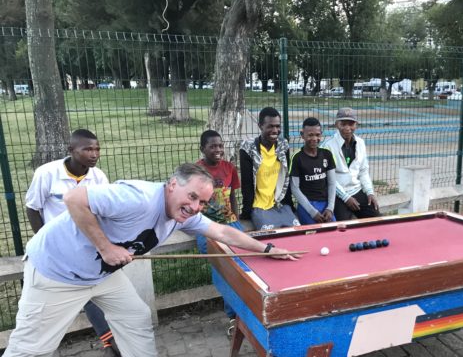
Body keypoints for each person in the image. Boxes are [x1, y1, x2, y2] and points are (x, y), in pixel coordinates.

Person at [4, 163, 300, 357]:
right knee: (32, 349)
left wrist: (266, 249)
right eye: (192, 196)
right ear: (172, 184)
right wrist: (107, 248)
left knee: (135, 317)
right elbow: (74, 199)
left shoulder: (182, 215)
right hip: (56, 273)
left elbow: (223, 232)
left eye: (202, 202)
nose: (196, 207)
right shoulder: (138, 198)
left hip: (100, 276)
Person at [24, 129, 119, 356]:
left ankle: (111, 344)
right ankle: (110, 345)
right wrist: (44, 240)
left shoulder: (98, 177)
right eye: (87, 149)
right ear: (71, 150)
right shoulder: (47, 173)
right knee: (76, 293)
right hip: (56, 249)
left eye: (97, 149)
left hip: (88, 244)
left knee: (95, 291)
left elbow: (105, 210)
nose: (94, 154)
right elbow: (32, 208)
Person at [194, 130, 242, 335]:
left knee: (246, 267)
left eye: (220, 146)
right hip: (206, 226)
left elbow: (232, 197)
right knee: (224, 270)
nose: (218, 150)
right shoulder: (195, 171)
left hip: (229, 223)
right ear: (202, 148)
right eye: (213, 146)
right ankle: (233, 317)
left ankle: (248, 312)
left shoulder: (229, 168)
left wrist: (237, 221)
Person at [240, 107, 300, 230]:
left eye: (278, 126)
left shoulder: (283, 145)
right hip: (259, 206)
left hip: (279, 203)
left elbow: (285, 177)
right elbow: (247, 183)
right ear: (260, 126)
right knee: (271, 236)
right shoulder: (248, 148)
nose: (275, 130)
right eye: (270, 126)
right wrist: (247, 211)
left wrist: (289, 205)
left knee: (295, 231)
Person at [321, 107, 380, 221]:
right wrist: (345, 197)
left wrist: (370, 192)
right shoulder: (327, 146)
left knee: (375, 218)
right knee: (344, 225)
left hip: (356, 190)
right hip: (337, 195)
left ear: (356, 125)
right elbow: (329, 178)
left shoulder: (360, 143)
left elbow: (363, 171)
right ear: (337, 124)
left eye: (351, 124)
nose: (347, 128)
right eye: (343, 124)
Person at [289, 117, 337, 224]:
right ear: (302, 135)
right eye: (310, 135)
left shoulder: (327, 154)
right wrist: (312, 212)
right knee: (314, 233)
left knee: (333, 230)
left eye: (317, 135)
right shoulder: (297, 157)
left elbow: (332, 183)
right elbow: (295, 188)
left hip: (325, 204)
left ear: (321, 134)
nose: (314, 138)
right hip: (307, 205)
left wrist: (330, 208)